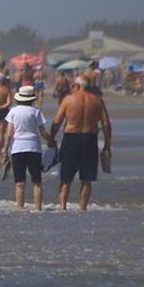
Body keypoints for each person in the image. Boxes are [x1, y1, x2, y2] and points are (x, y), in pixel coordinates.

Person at [50, 77, 112, 212]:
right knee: (86, 179)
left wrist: (51, 138)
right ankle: (82, 208)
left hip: (71, 139)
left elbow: (57, 122)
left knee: (66, 177)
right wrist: (107, 145)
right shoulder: (97, 100)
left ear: (77, 86)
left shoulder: (68, 100)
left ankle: (63, 207)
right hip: (90, 139)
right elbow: (106, 125)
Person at [2, 86, 54, 212]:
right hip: (34, 148)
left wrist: (5, 152)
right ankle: (38, 209)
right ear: (32, 99)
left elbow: (8, 134)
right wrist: (51, 141)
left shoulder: (13, 111)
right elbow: (42, 132)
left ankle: (20, 208)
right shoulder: (36, 112)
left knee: (19, 183)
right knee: (37, 182)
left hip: (17, 149)